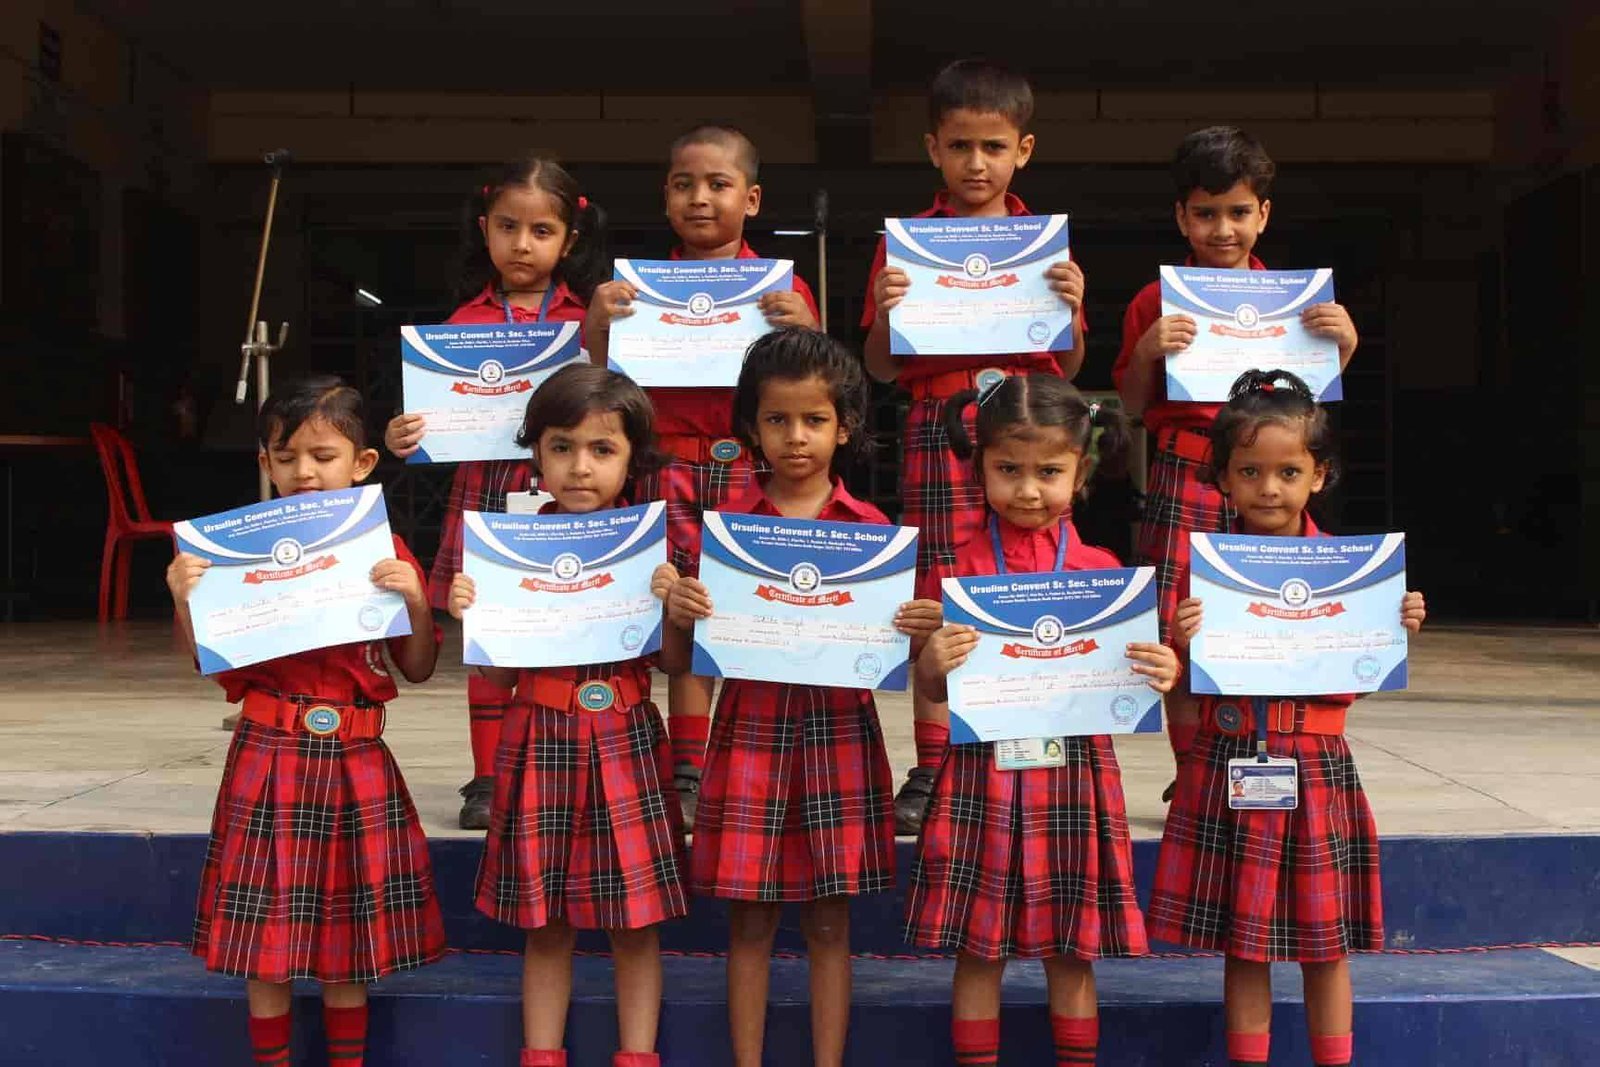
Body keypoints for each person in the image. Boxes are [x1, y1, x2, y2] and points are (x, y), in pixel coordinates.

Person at [657, 328, 940, 1067]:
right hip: (748, 729)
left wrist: (918, 631)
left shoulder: (874, 534)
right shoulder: (727, 533)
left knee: (829, 924)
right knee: (748, 924)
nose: (796, 436)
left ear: (845, 427)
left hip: (840, 732)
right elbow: (684, 664)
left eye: (815, 419)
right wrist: (679, 616)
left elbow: (903, 663)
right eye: (777, 419)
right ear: (751, 426)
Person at [1146, 370, 1427, 1067]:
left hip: (1316, 761)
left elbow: (1355, 685)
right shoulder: (1201, 573)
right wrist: (1181, 644)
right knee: (1244, 946)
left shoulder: (1351, 572)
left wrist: (1388, 633)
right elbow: (1182, 686)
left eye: (1288, 471)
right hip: (1229, 759)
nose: (1268, 487)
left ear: (1319, 475)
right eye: (1250, 471)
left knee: (1325, 946)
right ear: (1222, 478)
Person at [168, 376, 444, 1067]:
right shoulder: (238, 555)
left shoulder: (385, 550)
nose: (304, 472)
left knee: (349, 939)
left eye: (323, 455)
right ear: (265, 461)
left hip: (357, 754)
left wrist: (416, 601)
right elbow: (211, 663)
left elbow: (418, 666)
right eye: (286, 457)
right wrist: (185, 600)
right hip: (270, 751)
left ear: (363, 463)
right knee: (266, 940)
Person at [906, 372, 1178, 1066]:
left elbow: (1127, 685)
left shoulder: (1103, 574)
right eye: (1009, 469)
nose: (1028, 490)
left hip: (1074, 772)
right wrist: (932, 658)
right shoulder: (955, 573)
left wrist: (1161, 669)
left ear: (1081, 472)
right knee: (978, 946)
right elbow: (931, 688)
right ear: (980, 468)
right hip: (982, 772)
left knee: (1072, 947)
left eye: (1049, 472)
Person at [859, 59, 1087, 833]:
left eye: (993, 146)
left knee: (1027, 574)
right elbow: (879, 367)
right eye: (960, 146)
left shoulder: (1044, 247)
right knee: (941, 581)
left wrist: (1072, 309)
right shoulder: (906, 245)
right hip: (937, 421)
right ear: (933, 148)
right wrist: (888, 309)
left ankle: (1025, 736)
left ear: (1023, 149)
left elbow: (1069, 368)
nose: (977, 162)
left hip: (1024, 422)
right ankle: (934, 766)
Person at [582, 125, 822, 827]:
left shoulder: (785, 287)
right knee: (683, 608)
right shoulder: (636, 291)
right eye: (685, 185)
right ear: (666, 196)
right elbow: (602, 376)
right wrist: (599, 322)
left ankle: (756, 760)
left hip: (754, 464)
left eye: (718, 185)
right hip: (668, 462)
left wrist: (806, 325)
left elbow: (818, 381)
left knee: (753, 608)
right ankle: (686, 767)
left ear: (751, 199)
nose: (700, 198)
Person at [1111, 127, 1359, 797]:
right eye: (1206, 213)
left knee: (1267, 616)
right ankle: (1192, 769)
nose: (1223, 229)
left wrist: (1343, 346)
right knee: (1181, 626)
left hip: (1268, 477)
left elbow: (1310, 406)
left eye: (1239, 212)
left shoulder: (1297, 302)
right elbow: (1131, 403)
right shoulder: (1153, 302)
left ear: (1264, 214)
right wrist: (1146, 352)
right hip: (1187, 473)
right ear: (1181, 216)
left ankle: (1250, 753)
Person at [449, 364, 685, 1067]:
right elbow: (497, 675)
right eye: (562, 446)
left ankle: (637, 1057)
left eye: (602, 449)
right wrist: (475, 615)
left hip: (626, 734)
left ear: (632, 460)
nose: (581, 466)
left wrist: (675, 608)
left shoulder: (653, 546)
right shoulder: (509, 548)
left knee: (635, 924)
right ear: (536, 455)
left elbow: (675, 663)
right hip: (538, 734)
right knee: (545, 924)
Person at [384, 156, 606, 829]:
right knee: (486, 632)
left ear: (569, 240)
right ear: (484, 230)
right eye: (508, 227)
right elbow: (439, 414)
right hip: (485, 488)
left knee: (562, 623)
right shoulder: (462, 319)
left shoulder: (590, 318)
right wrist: (406, 435)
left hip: (563, 492)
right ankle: (488, 776)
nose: (522, 244)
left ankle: (562, 764)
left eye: (541, 231)